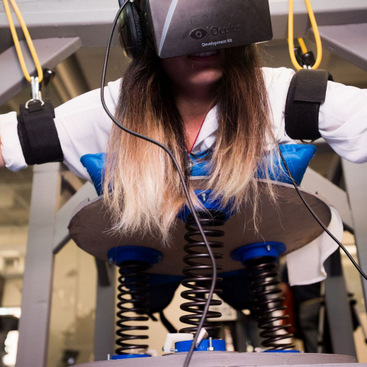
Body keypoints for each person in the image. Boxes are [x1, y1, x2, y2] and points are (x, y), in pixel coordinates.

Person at [0, 6, 367, 285]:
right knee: (146, 288)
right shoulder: (109, 109)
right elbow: (9, 140)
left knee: (256, 285)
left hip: (257, 249)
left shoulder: (283, 96)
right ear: (140, 31)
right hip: (153, 254)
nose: (202, 34)